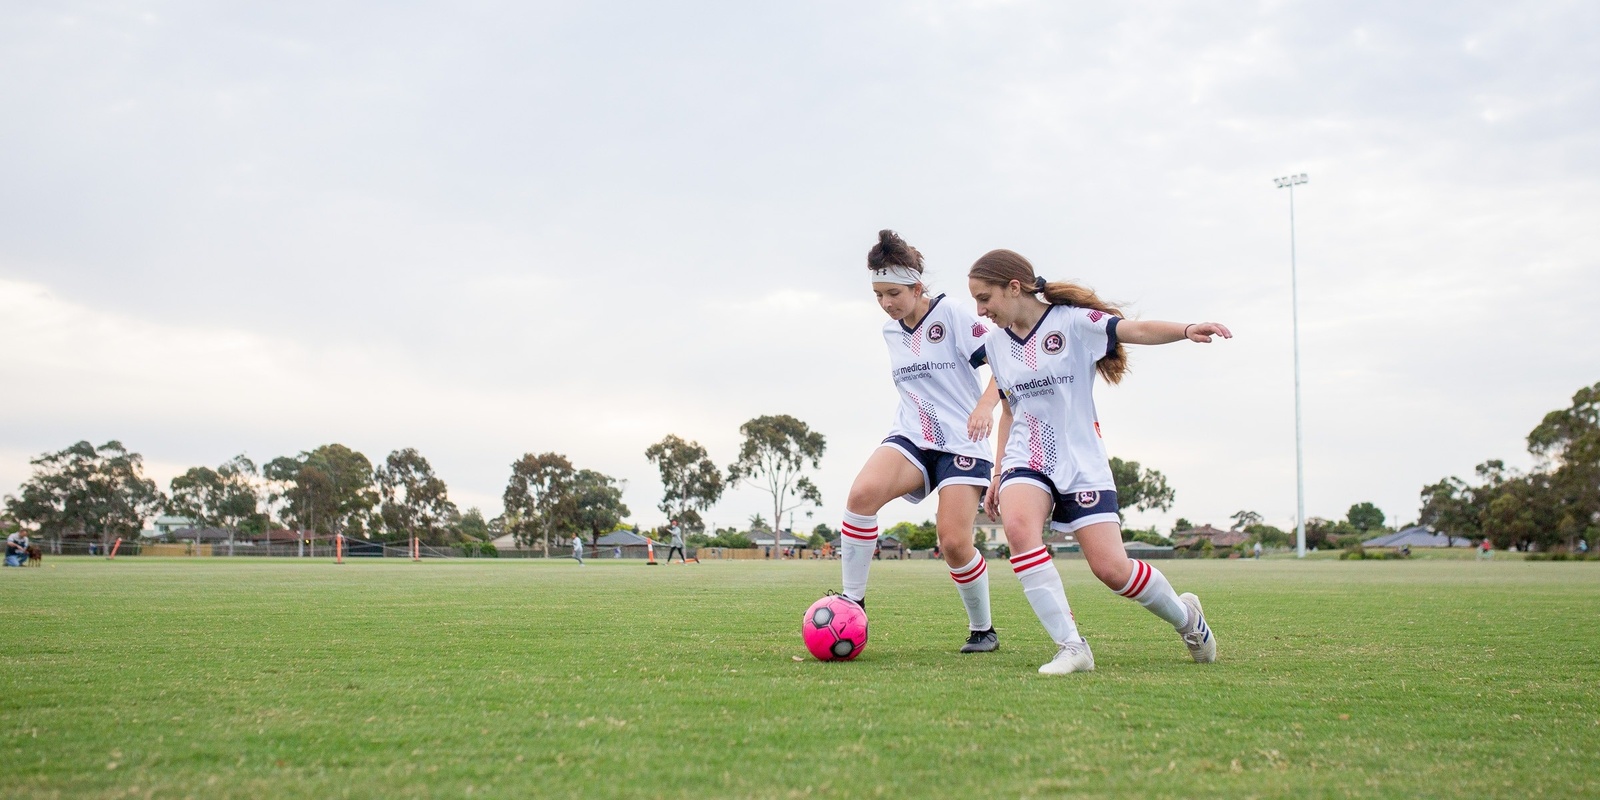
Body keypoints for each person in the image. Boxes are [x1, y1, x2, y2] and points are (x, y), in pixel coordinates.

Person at [967, 249, 1229, 674]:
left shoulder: (1073, 323)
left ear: (1014, 287)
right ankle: (1072, 647)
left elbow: (1136, 329)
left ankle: (1187, 619)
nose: (981, 312)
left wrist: (1186, 329)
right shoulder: (995, 345)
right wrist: (998, 472)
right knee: (1017, 529)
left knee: (1112, 570)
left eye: (985, 298)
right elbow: (1010, 411)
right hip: (1026, 458)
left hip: (1080, 460)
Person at [837, 230, 1004, 654]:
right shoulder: (891, 332)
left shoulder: (951, 315)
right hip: (912, 436)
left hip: (962, 444)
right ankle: (852, 604)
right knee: (861, 495)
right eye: (878, 295)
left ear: (916, 286)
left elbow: (1005, 364)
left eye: (893, 293)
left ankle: (982, 629)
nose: (886, 303)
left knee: (952, 542)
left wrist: (985, 407)